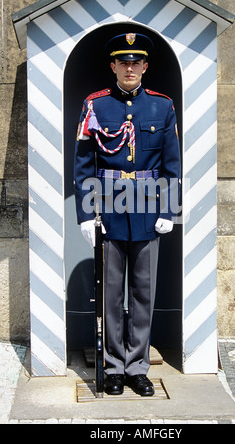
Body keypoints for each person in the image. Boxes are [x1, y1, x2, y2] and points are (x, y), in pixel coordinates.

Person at [74, 32, 181, 396]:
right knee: (112, 291)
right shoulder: (95, 106)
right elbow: (84, 164)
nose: (130, 68)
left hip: (149, 208)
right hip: (109, 208)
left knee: (143, 292)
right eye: (124, 62)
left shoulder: (162, 107)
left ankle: (137, 367)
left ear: (146, 67)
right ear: (113, 66)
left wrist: (169, 208)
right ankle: (113, 366)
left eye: (137, 62)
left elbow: (171, 165)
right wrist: (87, 214)